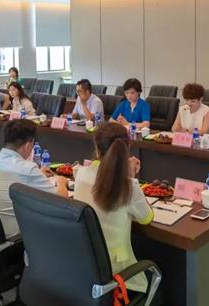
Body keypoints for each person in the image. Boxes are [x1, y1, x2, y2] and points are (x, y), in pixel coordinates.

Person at [74, 122, 153, 293]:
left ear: (97, 150)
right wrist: (131, 177)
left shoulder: (80, 174)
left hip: (83, 268)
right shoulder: (128, 186)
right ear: (126, 150)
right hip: (117, 274)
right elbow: (146, 218)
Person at [0, 119, 68, 236]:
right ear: (27, 146)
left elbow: (15, 175)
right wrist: (61, 182)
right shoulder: (28, 169)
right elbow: (60, 201)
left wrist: (38, 173)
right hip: (16, 235)